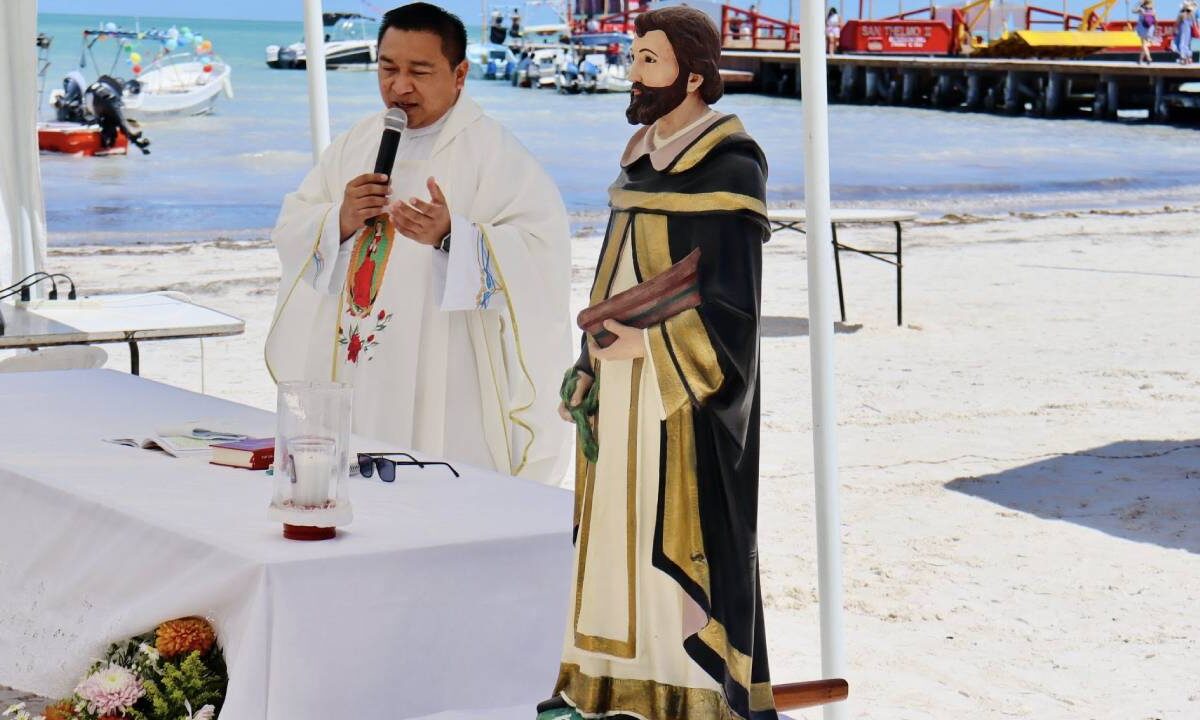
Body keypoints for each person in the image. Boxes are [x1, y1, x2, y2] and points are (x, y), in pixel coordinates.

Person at [539, 6, 777, 720]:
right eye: (634, 58)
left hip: (681, 397)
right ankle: (607, 689)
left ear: (695, 78)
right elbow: (612, 278)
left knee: (675, 542)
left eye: (648, 60)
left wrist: (646, 344)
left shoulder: (730, 167)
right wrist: (587, 361)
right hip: (620, 386)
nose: (632, 73)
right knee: (613, 536)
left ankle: (697, 698)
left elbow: (736, 312)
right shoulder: (639, 162)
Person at [266, 2, 572, 484]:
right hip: (357, 360)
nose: (399, 86)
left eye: (419, 71)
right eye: (388, 68)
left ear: (460, 73)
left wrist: (456, 236)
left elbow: (542, 250)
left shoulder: (494, 153)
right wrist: (339, 218)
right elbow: (292, 225)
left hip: (447, 363)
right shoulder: (357, 143)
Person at [1135, 0, 1157, 65]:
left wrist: (1139, 3)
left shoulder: (1141, 9)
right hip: (1150, 28)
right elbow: (1156, 20)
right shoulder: (1153, 10)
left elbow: (1133, 10)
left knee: (1144, 44)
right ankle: (1140, 60)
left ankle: (1149, 57)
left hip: (1142, 27)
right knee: (1144, 45)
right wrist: (1155, 29)